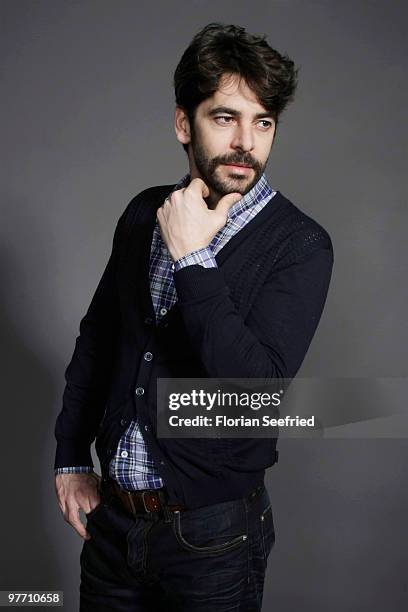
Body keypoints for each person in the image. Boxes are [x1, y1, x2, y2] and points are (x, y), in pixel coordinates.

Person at [54, 22, 334, 611]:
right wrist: (72, 455)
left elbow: (254, 389)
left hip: (213, 533)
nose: (246, 142)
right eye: (225, 117)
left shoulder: (299, 244)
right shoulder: (142, 214)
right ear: (185, 124)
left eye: (263, 122)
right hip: (114, 525)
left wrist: (193, 258)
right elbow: (98, 341)